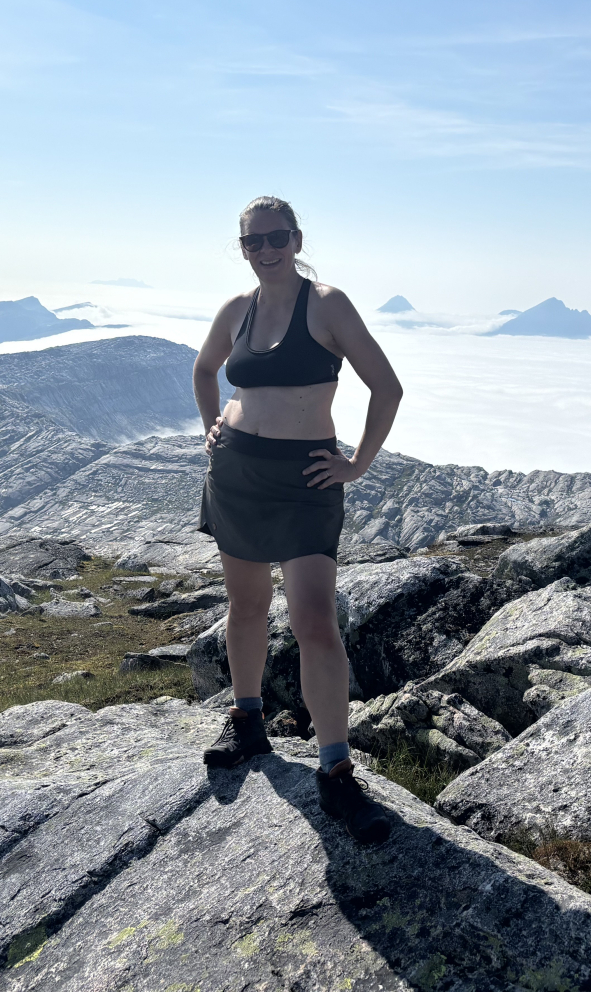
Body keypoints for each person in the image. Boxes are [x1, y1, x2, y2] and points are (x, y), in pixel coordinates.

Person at [192, 196, 403, 844]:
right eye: (253, 241)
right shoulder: (236, 310)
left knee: (314, 621)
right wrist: (211, 428)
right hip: (238, 473)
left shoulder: (329, 303)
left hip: (307, 479)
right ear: (243, 247)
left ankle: (336, 769)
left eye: (277, 237)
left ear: (297, 238)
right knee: (246, 605)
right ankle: (247, 719)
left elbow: (386, 386)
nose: (266, 250)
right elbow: (205, 370)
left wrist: (357, 466)